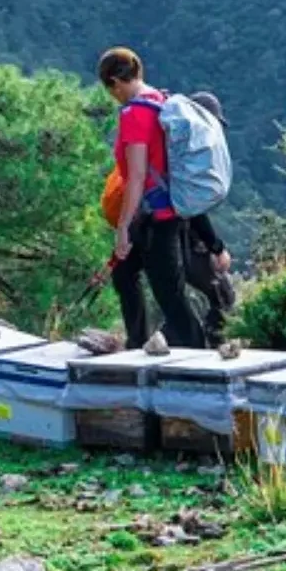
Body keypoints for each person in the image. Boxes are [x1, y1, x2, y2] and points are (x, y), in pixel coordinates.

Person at [98, 47, 204, 349]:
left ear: (116, 82)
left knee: (169, 292)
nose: (113, 96)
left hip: (156, 217)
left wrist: (122, 226)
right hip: (165, 210)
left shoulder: (135, 114)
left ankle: (201, 354)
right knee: (124, 272)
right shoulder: (160, 100)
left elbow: (136, 176)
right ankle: (136, 344)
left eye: (111, 89)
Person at [182, 91, 237, 344]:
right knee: (223, 296)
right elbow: (194, 210)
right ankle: (212, 349)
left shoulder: (178, 145)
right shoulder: (188, 155)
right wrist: (217, 247)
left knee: (174, 301)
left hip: (158, 232)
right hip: (181, 237)